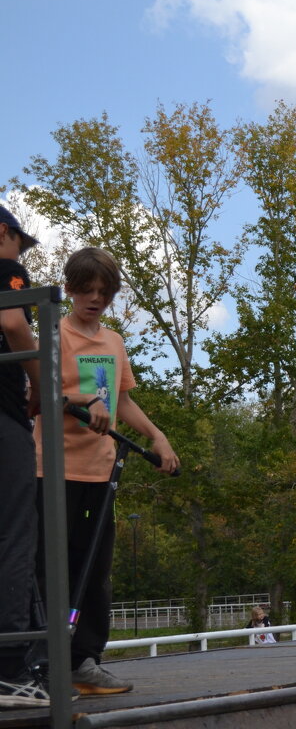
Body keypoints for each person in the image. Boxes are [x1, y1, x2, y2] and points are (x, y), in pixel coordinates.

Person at [34, 247, 180, 696]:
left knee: (94, 568)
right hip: (53, 470)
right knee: (46, 567)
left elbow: (123, 399)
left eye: (104, 292)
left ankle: (85, 661)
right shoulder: (54, 334)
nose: (95, 299)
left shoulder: (113, 341)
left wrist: (159, 436)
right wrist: (83, 403)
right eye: (86, 290)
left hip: (101, 473)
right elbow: (39, 394)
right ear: (70, 288)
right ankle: (38, 662)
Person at [0, 207, 50, 709]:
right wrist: (39, 382)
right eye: (20, 243)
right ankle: (10, 670)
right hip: (3, 416)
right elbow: (13, 321)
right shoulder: (5, 267)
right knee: (15, 535)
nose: (21, 255)